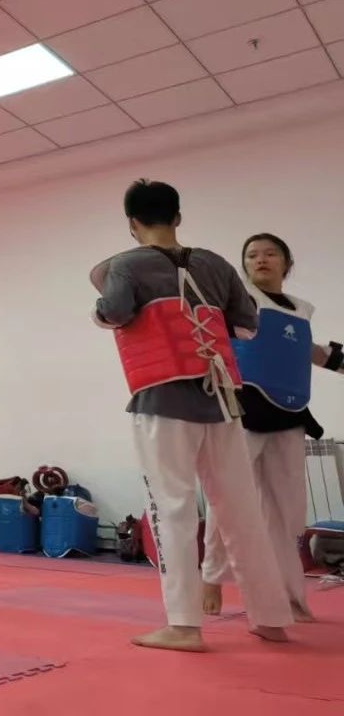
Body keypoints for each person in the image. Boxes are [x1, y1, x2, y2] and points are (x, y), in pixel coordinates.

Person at [91, 179, 293, 652]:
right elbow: (248, 326)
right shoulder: (216, 264)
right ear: (178, 217)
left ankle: (183, 626)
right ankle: (271, 618)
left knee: (173, 509)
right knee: (242, 511)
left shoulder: (126, 265)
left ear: (132, 224)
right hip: (222, 402)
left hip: (163, 403)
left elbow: (112, 313)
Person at [201, 233, 343, 621]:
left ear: (286, 263)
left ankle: (290, 596)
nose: (260, 259)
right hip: (243, 413)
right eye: (252, 255)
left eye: (270, 253)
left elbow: (307, 351)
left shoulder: (300, 310)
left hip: (289, 414)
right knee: (227, 497)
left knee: (288, 512)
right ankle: (211, 577)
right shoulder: (236, 303)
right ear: (244, 265)